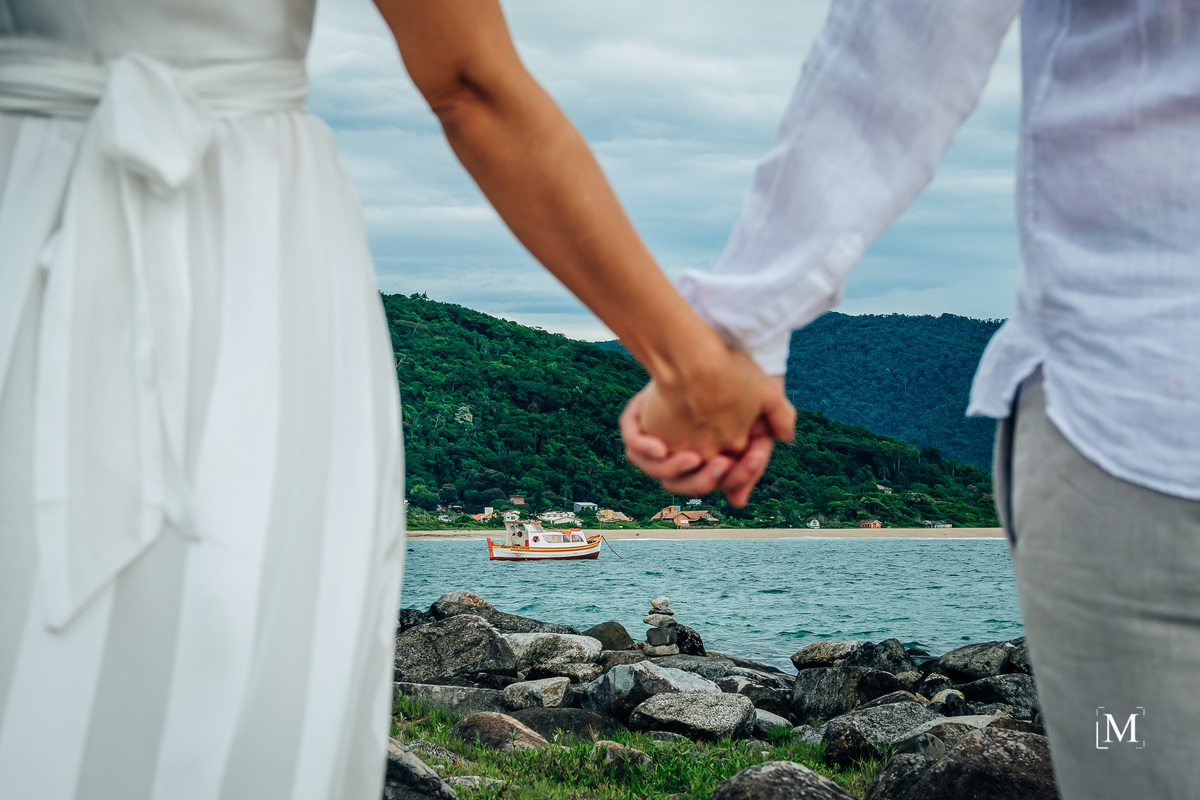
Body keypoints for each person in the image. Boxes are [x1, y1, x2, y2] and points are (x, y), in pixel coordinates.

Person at [0, 1, 791, 797]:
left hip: (23, 205)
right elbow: (468, 81)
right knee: (252, 653)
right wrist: (687, 360)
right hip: (248, 238)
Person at [623, 1, 1200, 797]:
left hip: (1136, 423)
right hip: (1136, 425)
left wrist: (741, 331)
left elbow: (902, 45)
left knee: (1133, 764)